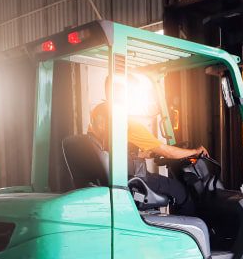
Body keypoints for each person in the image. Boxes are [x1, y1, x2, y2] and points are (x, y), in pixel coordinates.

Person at [88, 77, 208, 215]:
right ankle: (189, 231)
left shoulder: (98, 112)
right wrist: (195, 151)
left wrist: (148, 154)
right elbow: (168, 152)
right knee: (181, 193)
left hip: (116, 177)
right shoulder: (126, 123)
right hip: (133, 180)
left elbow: (112, 151)